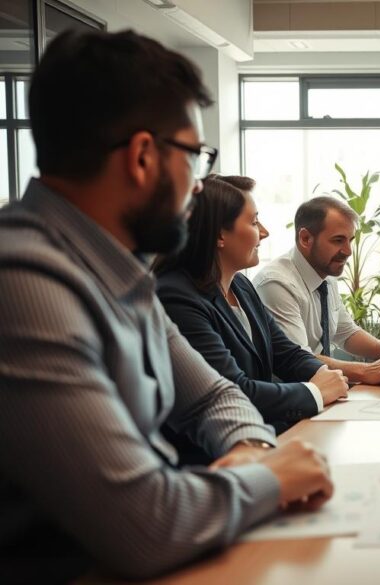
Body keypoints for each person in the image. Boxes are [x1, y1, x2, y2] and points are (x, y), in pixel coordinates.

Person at [0, 30, 332, 581]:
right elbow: (146, 522)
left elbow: (212, 397)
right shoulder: (23, 282)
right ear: (142, 157)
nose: (200, 186)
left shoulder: (119, 271)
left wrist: (251, 447)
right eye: (195, 158)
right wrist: (272, 478)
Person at [155, 175, 349, 441]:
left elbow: (286, 353)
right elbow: (234, 390)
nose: (264, 232)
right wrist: (316, 391)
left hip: (265, 433)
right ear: (220, 234)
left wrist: (323, 374)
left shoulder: (241, 286)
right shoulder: (177, 298)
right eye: (254, 221)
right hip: (216, 455)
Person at [253, 196, 380, 384]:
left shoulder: (325, 274)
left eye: (350, 240)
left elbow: (346, 332)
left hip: (326, 391)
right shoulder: (276, 283)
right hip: (294, 397)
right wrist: (366, 371)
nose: (348, 251)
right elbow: (298, 359)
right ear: (305, 238)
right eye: (338, 240)